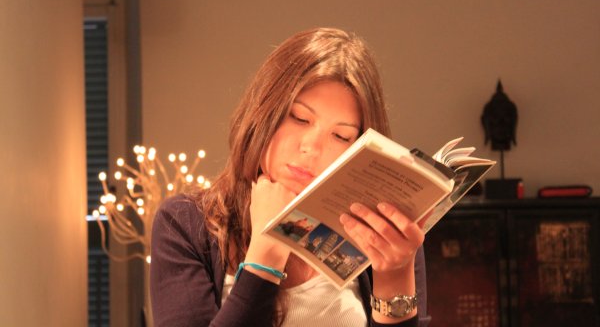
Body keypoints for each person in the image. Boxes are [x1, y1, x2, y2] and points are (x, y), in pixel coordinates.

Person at [150, 27, 431, 327]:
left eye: (341, 136)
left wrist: (394, 275)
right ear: (264, 112)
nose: (312, 147)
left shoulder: (380, 232)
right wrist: (267, 250)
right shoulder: (184, 222)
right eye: (299, 118)